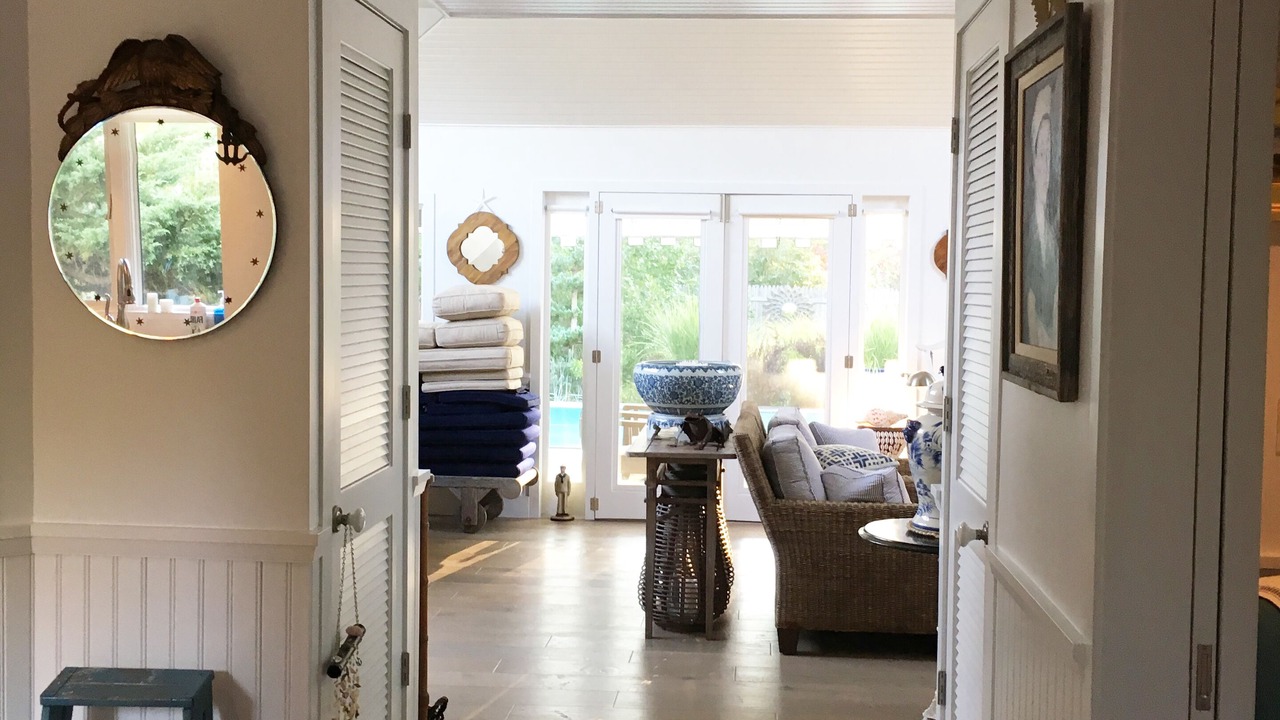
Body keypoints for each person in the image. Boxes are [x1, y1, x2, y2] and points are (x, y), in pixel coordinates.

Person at [1021, 72, 1062, 350]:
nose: (1045, 167)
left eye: (1051, 153)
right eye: (1040, 153)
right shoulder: (1027, 232)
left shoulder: (1057, 223)